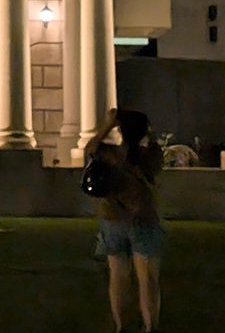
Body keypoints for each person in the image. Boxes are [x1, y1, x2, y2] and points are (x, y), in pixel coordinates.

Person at [89, 107, 166, 333]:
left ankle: (121, 327)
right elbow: (155, 152)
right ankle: (150, 326)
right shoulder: (150, 155)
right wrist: (146, 131)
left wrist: (109, 124)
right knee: (148, 280)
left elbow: (90, 147)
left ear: (121, 130)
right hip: (143, 219)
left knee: (118, 278)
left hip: (113, 219)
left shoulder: (111, 154)